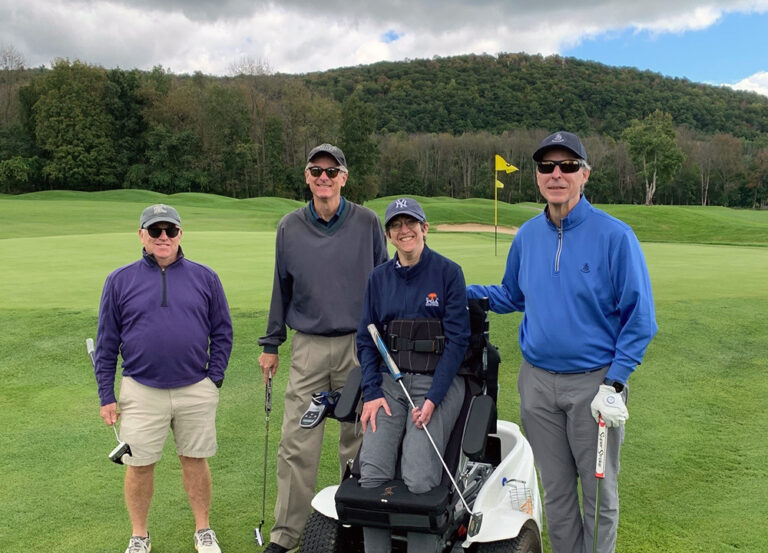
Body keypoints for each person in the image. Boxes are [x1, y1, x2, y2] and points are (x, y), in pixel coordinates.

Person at [466, 131, 657, 553]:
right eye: (546, 167)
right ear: (537, 177)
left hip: (595, 387)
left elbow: (640, 319)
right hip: (537, 385)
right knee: (555, 493)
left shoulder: (615, 236)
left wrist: (617, 381)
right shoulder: (528, 235)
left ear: (584, 174)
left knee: (599, 496)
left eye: (567, 166)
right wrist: (457, 290)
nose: (556, 174)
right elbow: (511, 295)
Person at [258, 144, 388, 553]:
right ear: (307, 176)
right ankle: (286, 535)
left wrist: (387, 342)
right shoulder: (289, 226)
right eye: (317, 171)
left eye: (332, 172)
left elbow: (385, 283)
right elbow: (281, 286)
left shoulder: (367, 222)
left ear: (344, 178)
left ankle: (356, 527)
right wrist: (271, 343)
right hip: (309, 348)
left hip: (359, 345)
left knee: (360, 440)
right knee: (299, 439)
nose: (324, 178)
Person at [94, 203, 233, 553]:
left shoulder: (206, 277)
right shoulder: (119, 280)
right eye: (155, 231)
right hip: (141, 390)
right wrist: (106, 396)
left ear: (180, 234)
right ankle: (139, 536)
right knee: (138, 466)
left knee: (195, 460)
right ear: (141, 235)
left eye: (170, 230)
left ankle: (203, 530)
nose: (163, 237)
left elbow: (223, 332)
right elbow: (107, 342)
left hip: (194, 388)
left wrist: (213, 378)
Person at [357, 198, 470, 553]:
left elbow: (457, 342)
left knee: (420, 479)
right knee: (371, 475)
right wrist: (371, 391)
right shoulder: (378, 279)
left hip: (438, 383)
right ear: (389, 234)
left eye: (411, 223)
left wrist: (434, 399)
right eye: (396, 225)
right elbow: (366, 339)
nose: (404, 231)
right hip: (389, 385)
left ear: (425, 228)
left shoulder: (448, 273)